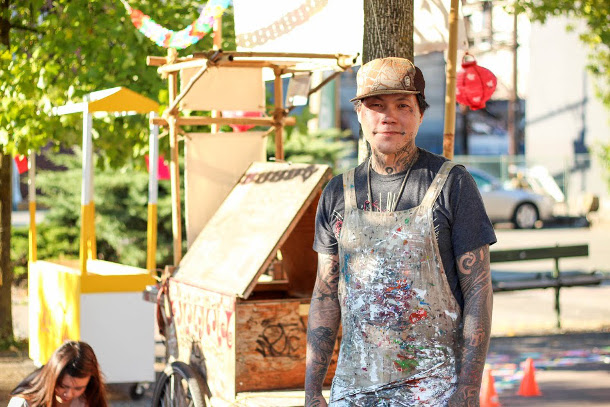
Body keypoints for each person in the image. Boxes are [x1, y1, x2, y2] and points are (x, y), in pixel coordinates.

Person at [305, 57, 496, 406]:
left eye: (402, 106)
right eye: (375, 106)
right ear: (360, 114)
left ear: (420, 114)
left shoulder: (452, 184)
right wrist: (312, 390)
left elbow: (478, 292)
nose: (388, 117)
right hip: (355, 388)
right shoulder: (337, 192)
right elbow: (325, 293)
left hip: (434, 389)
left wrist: (468, 390)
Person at [8, 341, 108, 407]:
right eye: (63, 386)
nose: (69, 394)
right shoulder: (23, 402)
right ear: (51, 378)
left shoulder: (88, 399)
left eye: (78, 388)